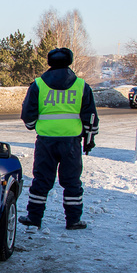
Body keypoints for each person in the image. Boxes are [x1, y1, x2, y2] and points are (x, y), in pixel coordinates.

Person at [18, 47, 99, 230]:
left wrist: (33, 126)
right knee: (72, 182)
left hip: (46, 140)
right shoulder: (81, 85)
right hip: (71, 142)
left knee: (41, 180)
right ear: (69, 62)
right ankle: (73, 220)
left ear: (49, 62)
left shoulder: (38, 84)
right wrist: (90, 137)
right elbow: (90, 116)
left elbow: (28, 113)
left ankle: (34, 218)